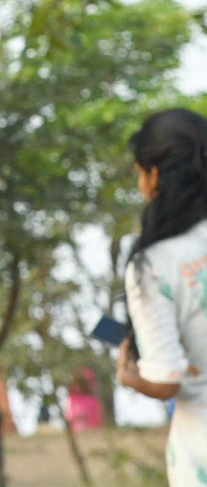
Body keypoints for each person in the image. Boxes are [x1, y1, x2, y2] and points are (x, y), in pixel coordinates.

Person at [116, 108, 207, 487]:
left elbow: (167, 380)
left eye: (138, 173)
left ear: (153, 175)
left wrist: (129, 376)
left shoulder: (153, 266)